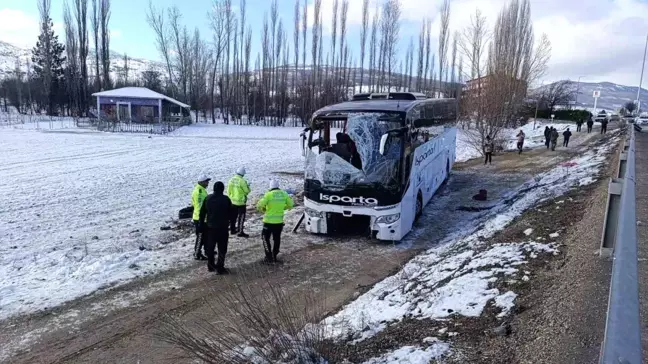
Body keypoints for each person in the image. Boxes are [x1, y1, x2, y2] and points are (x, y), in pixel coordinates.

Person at [257, 180, 295, 263]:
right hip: (279, 222)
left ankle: (268, 257)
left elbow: (259, 205)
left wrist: (263, 209)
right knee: (277, 239)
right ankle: (274, 255)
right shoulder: (284, 194)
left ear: (270, 187)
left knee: (265, 238)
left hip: (268, 222)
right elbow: (291, 204)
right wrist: (282, 208)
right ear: (278, 186)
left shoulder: (268, 194)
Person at [199, 181, 232, 274]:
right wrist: (230, 222)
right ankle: (220, 267)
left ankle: (210, 265)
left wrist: (201, 225)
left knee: (210, 247)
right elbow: (232, 212)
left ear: (213, 189)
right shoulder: (226, 199)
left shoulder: (208, 198)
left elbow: (202, 213)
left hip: (210, 227)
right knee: (222, 248)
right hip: (223, 227)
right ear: (222, 189)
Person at [227, 167, 251, 238]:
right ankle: (240, 232)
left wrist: (231, 197)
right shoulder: (242, 181)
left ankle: (232, 230)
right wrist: (248, 186)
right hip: (241, 202)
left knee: (233, 217)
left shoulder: (231, 180)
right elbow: (247, 191)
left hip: (233, 201)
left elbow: (228, 191)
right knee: (241, 217)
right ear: (243, 174)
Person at [191, 176, 210, 260]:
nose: (207, 183)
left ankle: (207, 250)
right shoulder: (199, 192)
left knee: (205, 235)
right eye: (206, 182)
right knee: (200, 236)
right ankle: (197, 253)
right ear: (202, 182)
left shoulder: (199, 190)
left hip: (200, 217)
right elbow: (200, 206)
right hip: (200, 217)